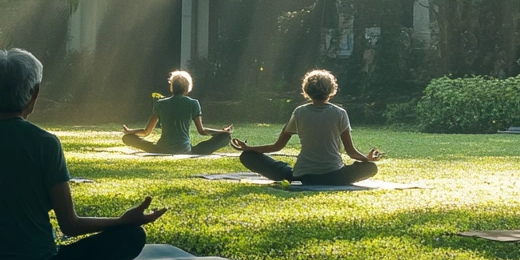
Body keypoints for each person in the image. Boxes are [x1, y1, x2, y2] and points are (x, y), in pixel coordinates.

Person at [0, 49, 167, 260]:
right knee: (132, 236)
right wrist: (122, 221)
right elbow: (70, 224)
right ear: (35, 93)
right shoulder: (45, 143)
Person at [232, 69, 383, 185]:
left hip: (302, 177)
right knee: (370, 168)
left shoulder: (299, 112)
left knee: (249, 157)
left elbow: (277, 146)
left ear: (307, 91)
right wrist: (367, 159)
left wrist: (248, 149)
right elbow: (351, 152)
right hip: (335, 176)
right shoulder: (340, 113)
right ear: (331, 90)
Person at [121, 70, 232, 155]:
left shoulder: (160, 103)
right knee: (226, 138)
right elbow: (202, 131)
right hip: (185, 150)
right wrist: (222, 132)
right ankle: (224, 135)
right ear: (187, 87)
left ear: (172, 87)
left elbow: (146, 132)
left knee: (127, 138)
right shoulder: (193, 103)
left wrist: (130, 132)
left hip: (161, 149)